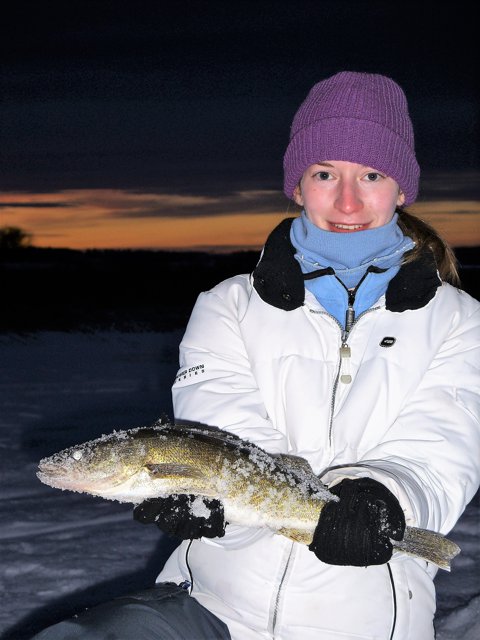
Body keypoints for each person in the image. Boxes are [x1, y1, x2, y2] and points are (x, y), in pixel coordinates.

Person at [32, 71, 480, 640]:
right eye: (324, 174)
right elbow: (221, 430)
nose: (348, 200)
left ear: (402, 188)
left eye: (371, 174)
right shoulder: (230, 304)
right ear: (297, 185)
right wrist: (203, 498)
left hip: (366, 616)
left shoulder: (461, 320)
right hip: (211, 603)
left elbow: (444, 445)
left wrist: (382, 497)